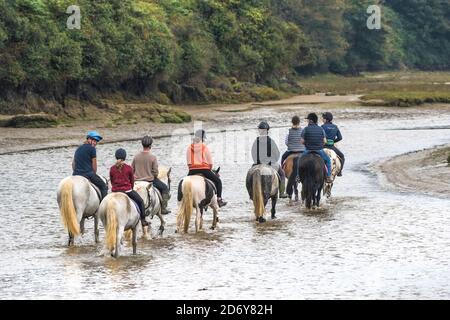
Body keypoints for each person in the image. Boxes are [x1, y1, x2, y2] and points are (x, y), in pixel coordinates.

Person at [186, 129, 227, 207]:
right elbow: (210, 163)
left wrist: (192, 168)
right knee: (218, 181)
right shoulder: (204, 147)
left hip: (192, 171)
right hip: (204, 169)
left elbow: (188, 162)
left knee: (184, 185)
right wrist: (209, 168)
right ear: (202, 138)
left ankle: (184, 200)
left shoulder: (189, 148)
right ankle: (219, 199)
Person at [132, 135, 171, 215]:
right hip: (150, 180)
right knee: (165, 188)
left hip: (137, 181)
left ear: (142, 145)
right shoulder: (153, 157)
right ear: (150, 145)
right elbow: (155, 172)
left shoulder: (136, 156)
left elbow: (132, 170)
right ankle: (163, 208)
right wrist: (154, 175)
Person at [110, 148, 149, 227]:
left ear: (116, 157)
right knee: (141, 201)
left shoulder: (112, 168)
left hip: (115, 192)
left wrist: (116, 188)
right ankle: (143, 220)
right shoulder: (129, 168)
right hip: (127, 191)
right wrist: (130, 188)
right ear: (125, 157)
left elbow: (112, 181)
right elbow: (132, 181)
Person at [251, 121, 288, 198]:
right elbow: (277, 154)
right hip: (270, 164)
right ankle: (282, 193)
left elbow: (253, 154)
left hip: (258, 164)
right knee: (282, 174)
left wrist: (257, 162)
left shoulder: (256, 141)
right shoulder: (271, 141)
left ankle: (251, 193)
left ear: (259, 131)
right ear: (267, 131)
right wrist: (272, 161)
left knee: (250, 175)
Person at [72, 130, 108, 199]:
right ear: (88, 139)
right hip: (88, 174)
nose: (95, 143)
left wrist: (77, 171)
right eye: (94, 140)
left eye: (96, 142)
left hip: (75, 174)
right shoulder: (92, 149)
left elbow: (73, 164)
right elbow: (94, 166)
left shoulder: (78, 148)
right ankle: (103, 206)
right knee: (104, 186)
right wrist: (93, 174)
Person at [300, 113, 333, 183]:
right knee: (328, 161)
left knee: (299, 160)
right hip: (319, 150)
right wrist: (319, 144)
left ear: (310, 121)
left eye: (308, 120)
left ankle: (298, 176)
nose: (307, 121)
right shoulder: (321, 129)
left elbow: (302, 141)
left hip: (308, 150)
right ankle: (328, 176)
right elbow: (325, 141)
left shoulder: (305, 129)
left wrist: (307, 143)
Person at [321, 112, 345, 176]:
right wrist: (333, 141)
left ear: (326, 119)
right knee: (342, 156)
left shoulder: (322, 127)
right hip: (332, 147)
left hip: (323, 147)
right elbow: (340, 137)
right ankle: (339, 172)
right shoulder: (335, 127)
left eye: (323, 118)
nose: (322, 119)